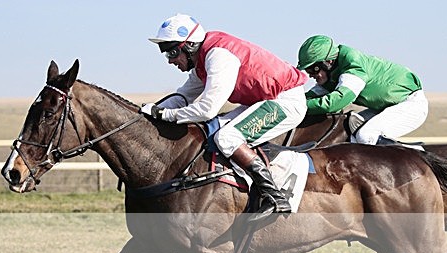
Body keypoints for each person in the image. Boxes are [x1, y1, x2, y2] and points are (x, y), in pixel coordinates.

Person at [144, 14, 308, 216]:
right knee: (212, 129)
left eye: (172, 52)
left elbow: (207, 109)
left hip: (286, 101)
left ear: (190, 46)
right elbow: (183, 97)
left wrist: (165, 114)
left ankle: (274, 196)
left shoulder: (218, 56)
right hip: (263, 101)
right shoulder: (202, 62)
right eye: (166, 54)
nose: (170, 61)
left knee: (227, 138)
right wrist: (149, 112)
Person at [296, 35, 428, 145]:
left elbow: (335, 103)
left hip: (410, 105)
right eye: (307, 70)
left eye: (313, 69)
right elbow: (308, 97)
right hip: (385, 107)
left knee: (366, 135)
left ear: (328, 62)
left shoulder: (354, 67)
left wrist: (299, 106)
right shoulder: (332, 74)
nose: (310, 75)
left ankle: (418, 158)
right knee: (348, 130)